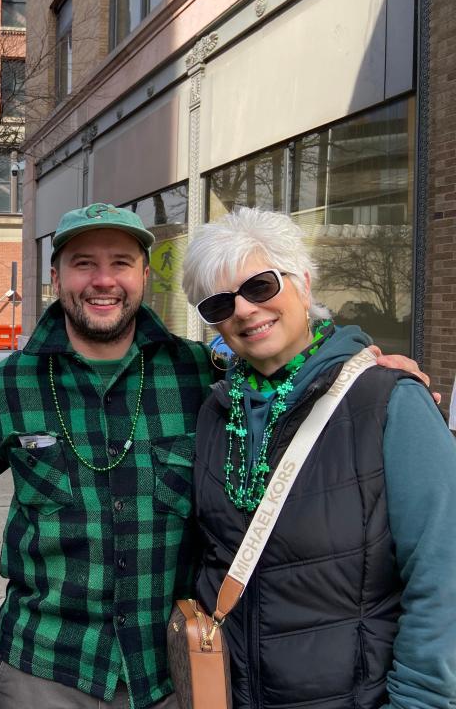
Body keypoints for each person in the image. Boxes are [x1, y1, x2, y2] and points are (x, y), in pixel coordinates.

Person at [0, 202, 433, 709]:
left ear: (144, 275)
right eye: (84, 264)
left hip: (174, 672)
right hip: (46, 670)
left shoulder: (202, 375)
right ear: (56, 276)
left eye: (121, 263)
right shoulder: (6, 386)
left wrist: (361, 364)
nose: (103, 280)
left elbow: (290, 370)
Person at [181, 207, 456, 708]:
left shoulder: (388, 402)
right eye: (221, 301)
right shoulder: (217, 413)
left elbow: (443, 578)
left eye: (261, 286)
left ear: (304, 283)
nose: (244, 309)